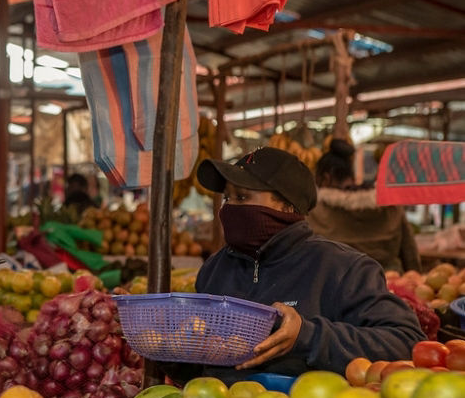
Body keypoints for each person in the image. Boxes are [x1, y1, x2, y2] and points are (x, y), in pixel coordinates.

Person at [162, 147, 426, 385]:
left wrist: (307, 336)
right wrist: (174, 350)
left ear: (287, 206)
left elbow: (406, 341)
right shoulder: (216, 269)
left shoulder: (343, 268)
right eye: (227, 199)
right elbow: (198, 369)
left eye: (242, 197)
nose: (229, 208)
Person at [307, 139, 421, 273]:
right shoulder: (390, 206)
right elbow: (410, 254)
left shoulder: (315, 212)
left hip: (337, 285)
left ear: (326, 178)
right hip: (387, 284)